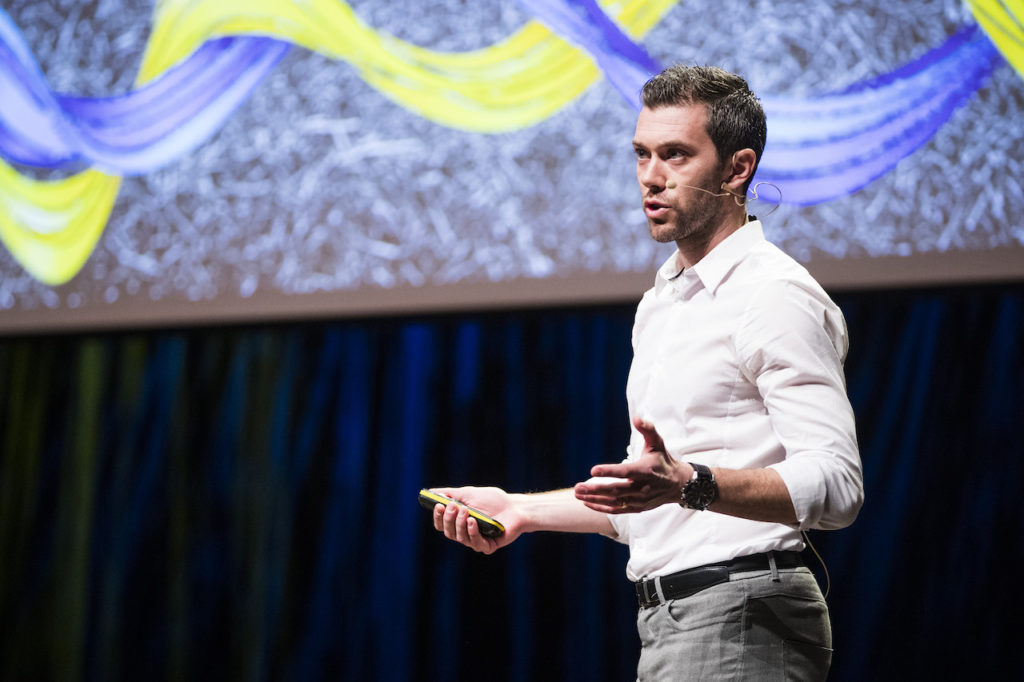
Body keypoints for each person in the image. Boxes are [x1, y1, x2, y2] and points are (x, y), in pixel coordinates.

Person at [429, 64, 863, 681]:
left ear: (737, 169)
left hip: (743, 615)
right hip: (670, 623)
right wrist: (520, 509)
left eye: (676, 156)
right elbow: (647, 501)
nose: (650, 178)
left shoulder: (774, 295)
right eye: (642, 154)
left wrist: (691, 481)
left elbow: (838, 487)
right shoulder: (663, 303)